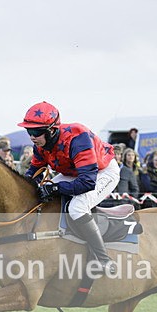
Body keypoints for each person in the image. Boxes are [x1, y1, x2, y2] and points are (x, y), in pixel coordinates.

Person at [20, 101, 120, 274]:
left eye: (36, 132)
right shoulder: (41, 145)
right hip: (74, 172)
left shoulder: (78, 138)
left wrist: (56, 189)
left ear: (51, 130)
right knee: (42, 194)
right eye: (29, 131)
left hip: (102, 172)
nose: (32, 137)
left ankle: (104, 259)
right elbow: (33, 173)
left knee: (77, 208)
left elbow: (87, 182)